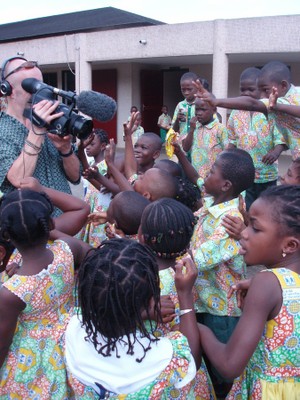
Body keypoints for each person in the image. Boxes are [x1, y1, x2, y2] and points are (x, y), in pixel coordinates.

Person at [65, 238, 202, 398]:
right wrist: (185, 295)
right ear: (151, 297)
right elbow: (192, 357)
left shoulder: (70, 329)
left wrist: (141, 311)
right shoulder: (164, 356)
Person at [198, 185, 300, 399]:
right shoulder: (277, 285)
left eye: (255, 228)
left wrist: (196, 325)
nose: (243, 233)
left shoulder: (267, 283)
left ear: (290, 245)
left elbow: (229, 365)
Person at [0, 185, 92, 398]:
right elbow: (91, 255)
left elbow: (2, 345)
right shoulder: (66, 249)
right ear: (50, 224)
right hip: (70, 343)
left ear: (6, 235)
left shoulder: (11, 293)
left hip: (30, 361)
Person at [190, 148, 255, 398]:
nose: (206, 174)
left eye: (212, 171)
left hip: (222, 310)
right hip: (203, 302)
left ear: (226, 184)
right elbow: (196, 178)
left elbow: (203, 256)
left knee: (222, 372)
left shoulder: (229, 218)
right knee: (206, 363)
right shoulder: (212, 203)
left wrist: (164, 259)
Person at [139, 198, 216, 399]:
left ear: (142, 238)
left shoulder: (141, 278)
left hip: (153, 362)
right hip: (188, 360)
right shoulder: (188, 268)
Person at [0, 56, 82, 216]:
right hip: (30, 229)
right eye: (30, 86)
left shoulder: (52, 121)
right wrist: (37, 131)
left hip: (65, 223)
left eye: (41, 85)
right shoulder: (2, 129)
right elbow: (18, 179)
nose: (38, 92)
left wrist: (66, 150)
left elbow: (75, 177)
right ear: (8, 90)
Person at [195, 60, 300, 159]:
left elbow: (252, 103)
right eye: (260, 90)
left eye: (266, 90)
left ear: (283, 86)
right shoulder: (274, 105)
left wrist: (216, 101)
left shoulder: (289, 99)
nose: (262, 96)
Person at [226, 67, 287, 209]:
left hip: (267, 174)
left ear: (260, 89)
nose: (245, 93)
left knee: (265, 208)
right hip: (243, 173)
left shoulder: (270, 111)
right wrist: (226, 155)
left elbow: (281, 139)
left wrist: (276, 152)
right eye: (242, 89)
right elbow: (232, 140)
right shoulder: (235, 112)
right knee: (246, 208)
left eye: (250, 89)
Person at [182, 97, 229, 187]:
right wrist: (191, 130)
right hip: (195, 178)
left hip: (212, 179)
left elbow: (226, 153)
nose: (199, 113)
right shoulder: (194, 126)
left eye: (203, 110)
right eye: (197, 109)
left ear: (214, 110)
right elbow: (185, 148)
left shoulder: (220, 128)